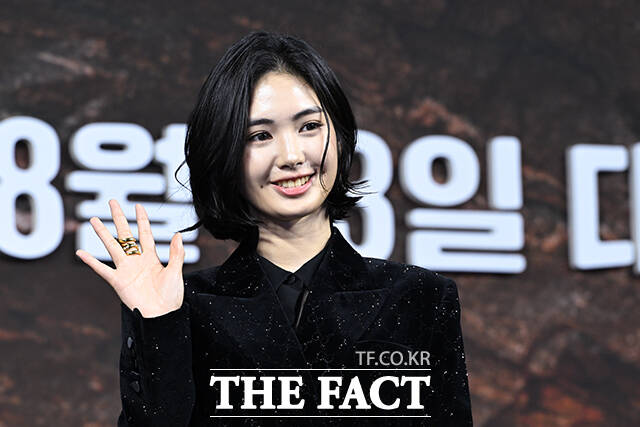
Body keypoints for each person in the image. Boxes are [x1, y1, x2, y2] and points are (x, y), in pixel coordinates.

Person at [76, 31, 472, 426]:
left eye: (309, 126)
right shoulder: (183, 308)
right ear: (224, 155)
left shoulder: (421, 299)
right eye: (261, 136)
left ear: (340, 136)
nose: (292, 156)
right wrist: (159, 325)